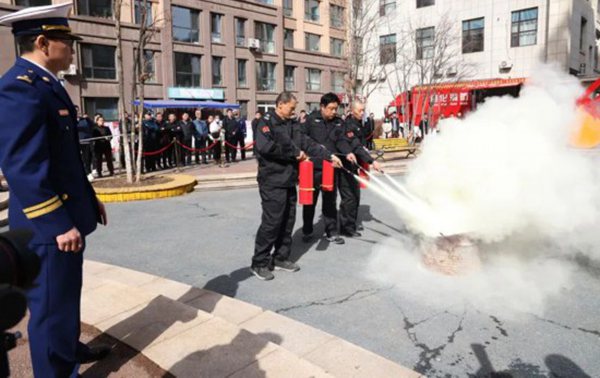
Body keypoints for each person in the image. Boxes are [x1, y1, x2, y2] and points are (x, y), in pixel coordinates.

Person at [0, 4, 110, 377]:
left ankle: (68, 351)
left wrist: (88, 198)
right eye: (66, 41)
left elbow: (62, 159)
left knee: (65, 298)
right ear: (44, 42)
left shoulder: (46, 83)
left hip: (65, 214)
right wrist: (57, 222)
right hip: (47, 225)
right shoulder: (20, 88)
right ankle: (56, 368)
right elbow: (23, 166)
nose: (72, 48)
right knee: (49, 309)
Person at [251, 91, 342, 281]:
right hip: (272, 180)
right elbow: (266, 148)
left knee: (288, 221)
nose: (293, 112)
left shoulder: (292, 124)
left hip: (289, 180)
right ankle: (259, 262)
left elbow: (307, 143)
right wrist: (294, 153)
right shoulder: (266, 122)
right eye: (291, 108)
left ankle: (280, 257)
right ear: (280, 105)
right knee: (272, 222)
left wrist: (328, 155)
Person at [301, 93, 351, 245]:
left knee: (330, 201)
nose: (334, 112)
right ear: (322, 107)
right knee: (310, 202)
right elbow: (302, 139)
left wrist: (347, 152)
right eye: (331, 109)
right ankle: (308, 230)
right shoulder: (310, 120)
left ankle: (332, 232)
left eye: (336, 109)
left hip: (331, 167)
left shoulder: (338, 122)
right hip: (313, 169)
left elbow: (342, 141)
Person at [339, 100, 382, 236]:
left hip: (354, 165)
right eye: (360, 110)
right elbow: (355, 146)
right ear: (352, 110)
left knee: (355, 196)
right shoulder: (349, 125)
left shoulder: (358, 124)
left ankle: (351, 224)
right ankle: (346, 228)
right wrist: (371, 161)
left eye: (363, 110)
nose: (362, 113)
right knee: (349, 198)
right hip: (345, 166)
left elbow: (361, 145)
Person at [76, 106, 94, 178]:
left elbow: (92, 126)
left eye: (78, 110)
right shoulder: (70, 119)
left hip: (86, 142)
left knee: (87, 159)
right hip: (75, 143)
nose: (77, 112)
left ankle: (88, 172)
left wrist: (88, 119)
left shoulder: (84, 120)